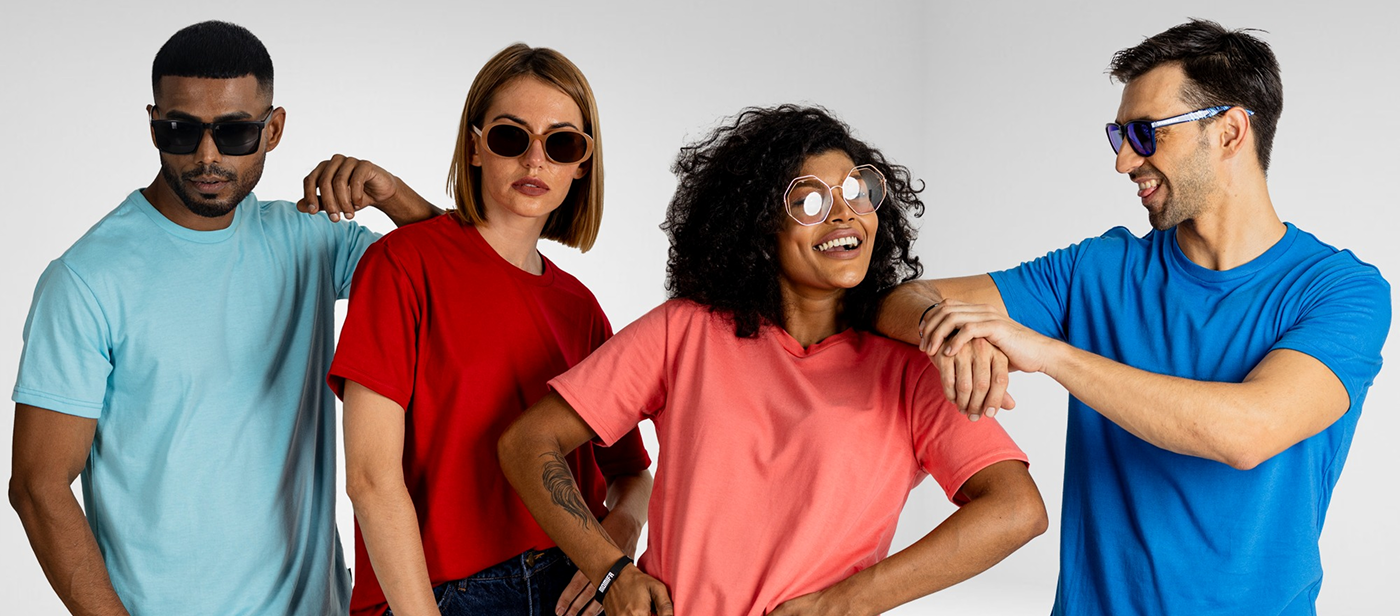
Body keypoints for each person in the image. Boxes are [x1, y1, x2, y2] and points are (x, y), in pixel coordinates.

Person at [877, 19, 1390, 615]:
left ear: (1228, 131)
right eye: (1117, 134)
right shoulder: (1096, 269)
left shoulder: (1341, 291)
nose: (1124, 161)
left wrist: (1048, 354)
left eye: (1145, 133)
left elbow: (1246, 433)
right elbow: (896, 300)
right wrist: (952, 332)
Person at [498, 105, 1047, 616]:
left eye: (857, 192)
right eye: (809, 201)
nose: (843, 215)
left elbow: (1015, 510)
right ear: (759, 227)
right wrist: (608, 569)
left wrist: (843, 603)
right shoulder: (684, 331)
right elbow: (528, 443)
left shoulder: (909, 369)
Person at [8, 21, 439, 615]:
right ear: (153, 122)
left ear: (275, 129)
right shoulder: (87, 279)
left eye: (235, 132)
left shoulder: (309, 242)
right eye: (180, 131)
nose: (206, 156)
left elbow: (454, 287)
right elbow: (38, 486)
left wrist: (395, 197)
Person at [325, 43, 653, 616]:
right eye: (509, 136)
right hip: (438, 594)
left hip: (568, 588)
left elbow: (630, 472)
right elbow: (371, 480)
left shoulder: (581, 309)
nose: (534, 160)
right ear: (475, 147)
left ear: (582, 163)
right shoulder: (402, 264)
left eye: (561, 143)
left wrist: (615, 542)